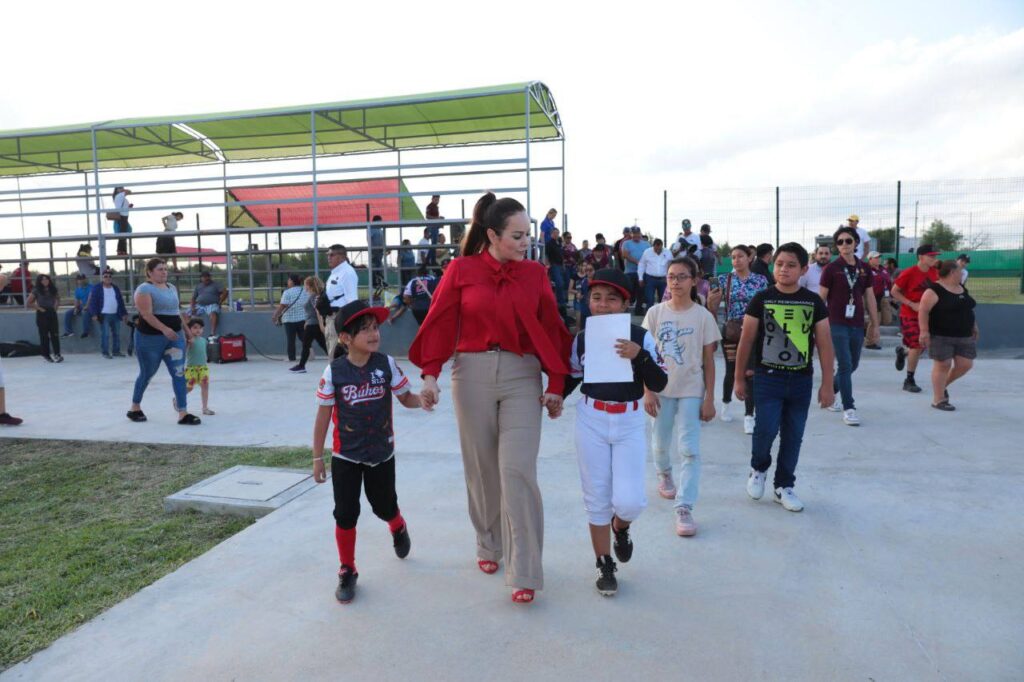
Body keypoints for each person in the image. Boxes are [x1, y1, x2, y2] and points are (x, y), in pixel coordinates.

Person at [409, 192, 570, 605]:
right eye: (517, 235)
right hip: (472, 374)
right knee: (482, 470)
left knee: (517, 470)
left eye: (527, 235)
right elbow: (441, 323)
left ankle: (525, 570)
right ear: (493, 235)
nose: (525, 242)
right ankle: (488, 542)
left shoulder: (535, 274)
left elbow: (552, 328)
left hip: (522, 375)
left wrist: (556, 383)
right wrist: (430, 378)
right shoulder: (461, 269)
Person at [312, 301, 424, 604]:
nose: (374, 334)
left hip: (381, 454)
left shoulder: (385, 364)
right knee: (346, 514)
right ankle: (347, 569)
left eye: (375, 328)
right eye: (365, 330)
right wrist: (317, 457)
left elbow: (406, 398)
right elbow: (323, 416)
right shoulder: (334, 371)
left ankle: (397, 525)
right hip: (346, 455)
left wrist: (422, 400)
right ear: (346, 339)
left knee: (383, 506)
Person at [563, 268, 667, 596]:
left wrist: (640, 357)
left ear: (625, 303)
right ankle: (604, 562)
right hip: (592, 418)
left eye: (612, 299)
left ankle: (621, 528)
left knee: (631, 501)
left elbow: (661, 381)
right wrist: (553, 396)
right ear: (588, 302)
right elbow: (572, 377)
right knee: (596, 496)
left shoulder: (639, 336)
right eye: (596, 298)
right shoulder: (582, 339)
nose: (603, 305)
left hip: (629, 421)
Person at [734, 243, 835, 513]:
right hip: (767, 378)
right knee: (765, 429)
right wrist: (739, 378)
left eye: (791, 265)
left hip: (801, 381)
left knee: (794, 435)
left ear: (804, 269)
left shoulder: (813, 302)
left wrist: (827, 383)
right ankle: (758, 469)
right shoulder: (762, 298)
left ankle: (784, 486)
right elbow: (746, 340)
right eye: (779, 264)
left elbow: (825, 343)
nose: (783, 269)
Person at [643, 257, 719, 536]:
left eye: (682, 276)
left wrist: (709, 398)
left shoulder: (703, 317)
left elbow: (709, 361)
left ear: (694, 280)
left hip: (690, 390)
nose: (676, 282)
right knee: (660, 444)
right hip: (661, 391)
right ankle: (664, 473)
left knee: (689, 449)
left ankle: (684, 506)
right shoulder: (654, 313)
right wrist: (647, 390)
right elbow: (644, 357)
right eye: (671, 276)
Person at [818, 226, 879, 426]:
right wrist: (817, 325)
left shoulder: (864, 268)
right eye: (840, 242)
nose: (844, 245)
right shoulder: (831, 269)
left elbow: (869, 295)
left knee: (853, 364)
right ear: (837, 246)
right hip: (836, 323)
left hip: (857, 322)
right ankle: (849, 407)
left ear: (856, 243)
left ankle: (829, 389)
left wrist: (875, 324)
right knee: (844, 364)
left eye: (848, 241)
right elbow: (822, 298)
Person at [128, 258, 199, 425]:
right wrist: (164, 329)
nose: (164, 272)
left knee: (179, 373)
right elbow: (147, 315)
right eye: (160, 269)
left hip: (174, 338)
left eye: (165, 269)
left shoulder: (172, 288)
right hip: (149, 339)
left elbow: (177, 312)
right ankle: (135, 407)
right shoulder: (144, 289)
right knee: (147, 373)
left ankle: (183, 412)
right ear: (150, 272)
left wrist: (188, 333)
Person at [707, 245, 770, 433]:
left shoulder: (760, 280)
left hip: (754, 332)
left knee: (750, 372)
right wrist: (712, 302)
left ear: (749, 258)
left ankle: (749, 415)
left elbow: (765, 305)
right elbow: (713, 307)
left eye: (740, 256)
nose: (736, 260)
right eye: (733, 257)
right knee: (732, 370)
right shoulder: (724, 279)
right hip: (732, 332)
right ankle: (726, 402)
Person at [919, 260, 978, 411]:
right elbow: (923, 311)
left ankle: (942, 385)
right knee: (943, 364)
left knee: (965, 365)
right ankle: (938, 400)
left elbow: (967, 309)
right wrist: (924, 331)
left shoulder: (961, 288)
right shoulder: (934, 290)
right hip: (941, 335)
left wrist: (974, 326)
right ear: (952, 272)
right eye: (960, 271)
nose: (962, 273)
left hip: (964, 335)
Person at [891, 244, 940, 393]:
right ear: (921, 257)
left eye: (935, 256)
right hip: (909, 314)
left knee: (921, 345)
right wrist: (911, 304)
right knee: (917, 346)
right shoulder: (909, 273)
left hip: (928, 315)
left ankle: (903, 352)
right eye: (931, 256)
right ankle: (909, 380)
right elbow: (894, 292)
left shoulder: (935, 273)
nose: (934, 258)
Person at [322, 244, 360, 360]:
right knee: (332, 352)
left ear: (342, 257)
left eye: (332, 255)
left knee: (337, 354)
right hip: (331, 317)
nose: (329, 257)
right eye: (328, 255)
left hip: (340, 317)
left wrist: (346, 323)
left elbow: (351, 300)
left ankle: (339, 376)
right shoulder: (336, 272)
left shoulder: (347, 272)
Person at [291, 276, 328, 374]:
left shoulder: (313, 296)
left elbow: (317, 310)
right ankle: (337, 360)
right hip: (311, 323)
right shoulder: (314, 295)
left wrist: (321, 325)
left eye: (305, 284)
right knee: (323, 344)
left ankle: (301, 366)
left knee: (306, 344)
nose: (304, 286)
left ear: (309, 285)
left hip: (313, 325)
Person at [87, 269, 128, 358]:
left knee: (116, 334)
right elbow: (92, 302)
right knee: (105, 335)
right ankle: (105, 352)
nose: (108, 278)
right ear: (102, 277)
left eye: (110, 276)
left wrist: (124, 313)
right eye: (106, 276)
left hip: (116, 314)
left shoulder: (115, 288)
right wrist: (93, 314)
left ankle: (116, 351)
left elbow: (120, 301)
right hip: (104, 315)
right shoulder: (97, 288)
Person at [274, 274, 309, 362]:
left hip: (289, 320)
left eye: (289, 280)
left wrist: (275, 315)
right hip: (302, 318)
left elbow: (282, 306)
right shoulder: (304, 290)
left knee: (291, 340)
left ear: (292, 282)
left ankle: (292, 357)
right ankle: (308, 354)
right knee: (303, 338)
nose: (288, 282)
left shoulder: (287, 292)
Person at [183, 318, 215, 415]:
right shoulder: (189, 341)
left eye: (200, 328)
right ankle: (178, 400)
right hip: (191, 368)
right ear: (189, 329)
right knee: (189, 388)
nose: (198, 330)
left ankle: (205, 408)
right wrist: (188, 343)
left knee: (205, 387)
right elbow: (184, 352)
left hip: (203, 368)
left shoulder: (204, 340)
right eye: (195, 327)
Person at [28, 275, 62, 363]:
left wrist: (55, 307)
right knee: (44, 336)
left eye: (46, 279)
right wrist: (40, 309)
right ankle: (46, 354)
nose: (45, 281)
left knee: (55, 334)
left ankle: (57, 354)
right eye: (42, 279)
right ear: (39, 281)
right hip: (42, 313)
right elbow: (29, 302)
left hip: (52, 312)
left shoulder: (53, 289)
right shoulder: (36, 290)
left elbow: (58, 299)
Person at [620, 226, 652, 315]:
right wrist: (638, 262)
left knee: (641, 292)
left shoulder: (647, 244)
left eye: (637, 233)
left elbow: (650, 256)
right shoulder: (626, 243)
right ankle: (625, 309)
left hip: (642, 272)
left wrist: (643, 264)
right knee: (628, 291)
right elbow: (625, 255)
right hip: (630, 272)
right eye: (634, 233)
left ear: (640, 233)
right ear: (631, 234)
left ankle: (638, 310)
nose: (636, 235)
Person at [637, 238, 671, 310]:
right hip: (650, 279)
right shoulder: (647, 252)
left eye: (660, 249)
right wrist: (640, 278)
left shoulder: (667, 252)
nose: (658, 250)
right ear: (653, 246)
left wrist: (669, 277)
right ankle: (649, 318)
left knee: (664, 300)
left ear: (662, 246)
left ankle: (663, 317)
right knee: (650, 300)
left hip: (663, 280)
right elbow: (642, 264)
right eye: (656, 249)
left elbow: (671, 265)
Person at [191, 271, 228, 337]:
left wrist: (220, 302)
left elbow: (225, 292)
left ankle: (212, 333)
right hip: (200, 305)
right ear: (201, 278)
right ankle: (190, 333)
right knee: (186, 314)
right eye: (204, 277)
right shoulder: (198, 286)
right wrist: (192, 307)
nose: (207, 278)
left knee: (213, 313)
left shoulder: (216, 284)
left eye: (208, 276)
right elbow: (193, 298)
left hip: (212, 304)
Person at [866, 250, 894, 334]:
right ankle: (871, 336)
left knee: (887, 319)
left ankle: (874, 333)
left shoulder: (883, 269)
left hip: (885, 296)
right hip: (873, 297)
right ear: (870, 259)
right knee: (875, 319)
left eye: (879, 257)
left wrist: (891, 295)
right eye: (876, 258)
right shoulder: (867, 270)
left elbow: (889, 282)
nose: (878, 259)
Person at [545, 228, 569, 320]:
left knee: (564, 282)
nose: (556, 234)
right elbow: (546, 254)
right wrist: (548, 265)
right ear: (551, 233)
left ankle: (563, 300)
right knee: (559, 283)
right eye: (555, 233)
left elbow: (561, 254)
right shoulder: (549, 243)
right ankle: (561, 302)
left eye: (558, 233)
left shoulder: (558, 243)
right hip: (554, 265)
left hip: (560, 265)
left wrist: (563, 264)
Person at [62, 274, 93, 339]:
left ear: (85, 279)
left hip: (91, 306)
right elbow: (77, 300)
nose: (81, 281)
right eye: (79, 280)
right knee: (68, 313)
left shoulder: (91, 287)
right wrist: (76, 308)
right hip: (82, 306)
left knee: (84, 312)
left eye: (82, 279)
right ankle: (69, 332)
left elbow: (90, 298)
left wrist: (86, 306)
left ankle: (86, 332)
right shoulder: (77, 290)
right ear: (77, 281)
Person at [573, 260, 596, 329]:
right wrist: (578, 295)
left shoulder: (599, 281)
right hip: (585, 310)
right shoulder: (582, 281)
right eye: (586, 270)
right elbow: (579, 293)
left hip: (596, 311)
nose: (588, 272)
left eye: (590, 270)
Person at [113, 186, 133, 256]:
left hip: (124, 216)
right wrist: (123, 190)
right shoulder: (120, 195)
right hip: (122, 216)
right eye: (120, 188)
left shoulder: (119, 196)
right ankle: (121, 251)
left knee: (123, 234)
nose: (122, 189)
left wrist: (129, 206)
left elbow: (122, 206)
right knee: (123, 235)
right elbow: (129, 191)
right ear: (117, 190)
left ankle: (122, 250)